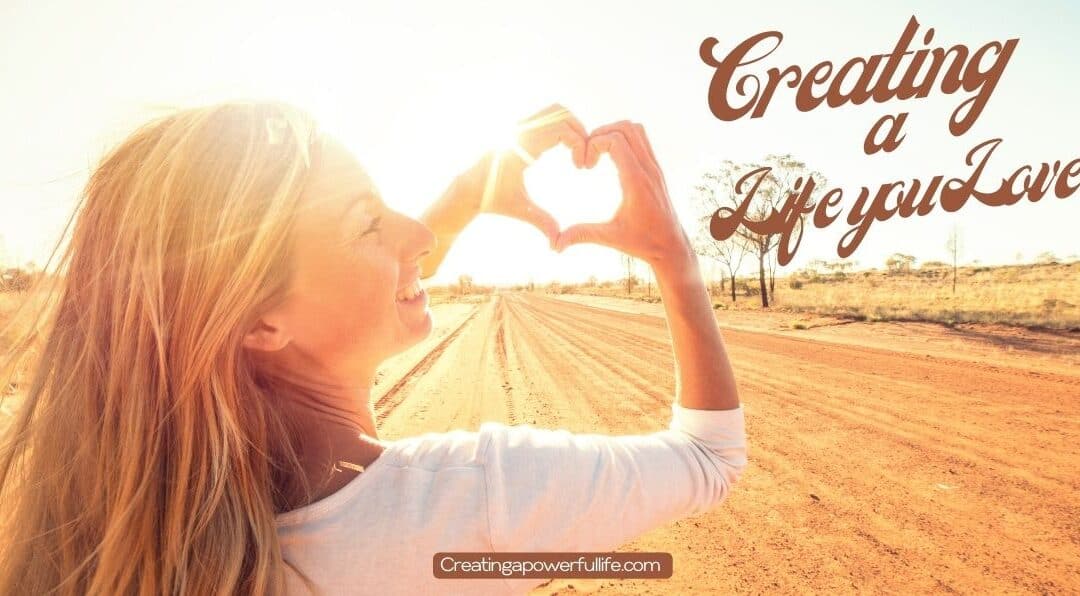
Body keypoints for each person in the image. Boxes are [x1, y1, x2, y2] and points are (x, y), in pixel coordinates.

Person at [0, 101, 746, 595]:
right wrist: (673, 255)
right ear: (259, 325)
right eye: (367, 222)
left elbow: (319, 291)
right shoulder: (480, 498)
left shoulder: (101, 536)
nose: (417, 237)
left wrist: (463, 198)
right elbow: (710, 459)